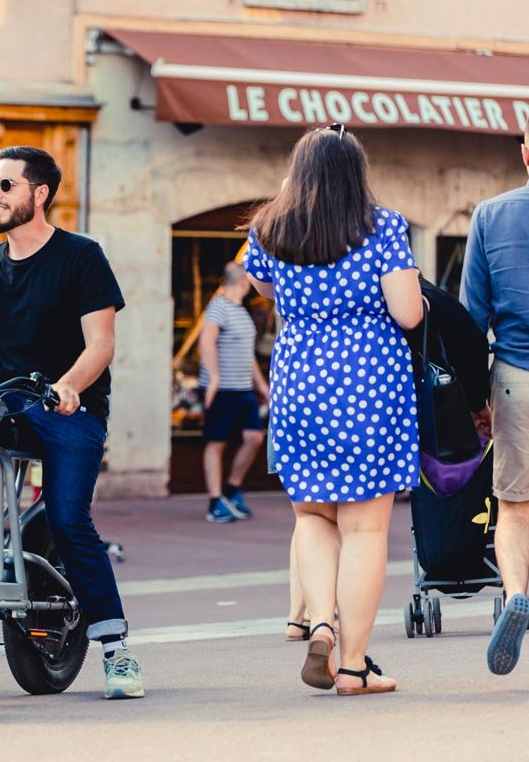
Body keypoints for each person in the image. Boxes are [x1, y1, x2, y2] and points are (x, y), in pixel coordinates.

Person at [0, 146, 140, 700]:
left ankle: (115, 648)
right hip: (8, 407)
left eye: (5, 186)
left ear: (40, 194)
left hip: (70, 409)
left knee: (68, 517)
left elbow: (100, 344)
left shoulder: (81, 257)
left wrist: (69, 387)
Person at [244, 125, 421, 696]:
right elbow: (409, 314)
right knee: (366, 528)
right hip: (368, 385)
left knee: (314, 518)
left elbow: (261, 287)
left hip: (299, 383)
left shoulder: (270, 227)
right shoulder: (383, 226)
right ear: (357, 174)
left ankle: (320, 620)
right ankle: (353, 666)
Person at [461, 130, 529, 675]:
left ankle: (514, 596)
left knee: (513, 505)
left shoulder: (491, 215)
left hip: (515, 376)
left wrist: (475, 400)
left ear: (526, 153)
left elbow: (470, 318)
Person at [198, 261, 270, 523]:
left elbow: (246, 354)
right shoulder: (218, 307)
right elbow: (206, 340)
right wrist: (214, 377)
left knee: (254, 438)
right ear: (243, 281)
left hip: (243, 388)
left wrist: (262, 386)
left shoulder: (241, 311)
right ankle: (215, 502)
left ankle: (231, 488)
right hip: (222, 389)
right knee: (216, 443)